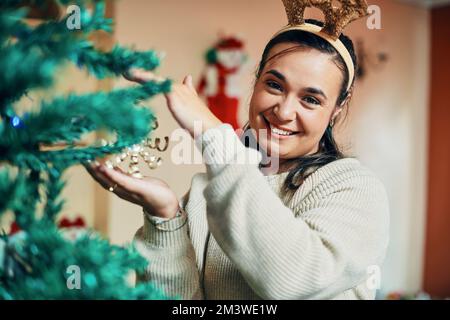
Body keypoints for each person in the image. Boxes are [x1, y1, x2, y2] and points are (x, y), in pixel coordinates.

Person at [86, 14, 389, 299]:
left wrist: (211, 130)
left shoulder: (355, 189)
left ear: (337, 107)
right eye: (274, 84)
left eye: (310, 99)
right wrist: (165, 216)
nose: (283, 112)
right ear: (256, 79)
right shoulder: (209, 189)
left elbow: (291, 279)